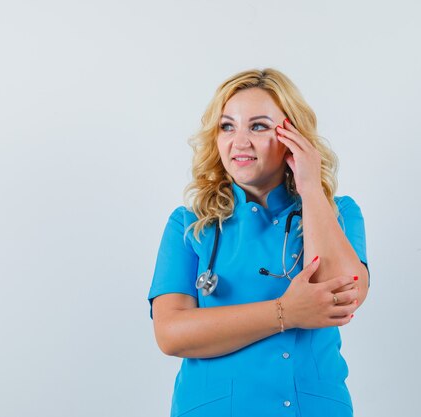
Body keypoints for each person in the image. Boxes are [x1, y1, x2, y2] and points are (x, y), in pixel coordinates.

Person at [147, 68, 369, 417]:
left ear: (293, 137)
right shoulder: (190, 225)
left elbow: (342, 297)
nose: (240, 141)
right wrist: (285, 313)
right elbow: (171, 333)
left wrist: (310, 187)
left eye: (259, 126)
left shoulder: (338, 213)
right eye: (227, 126)